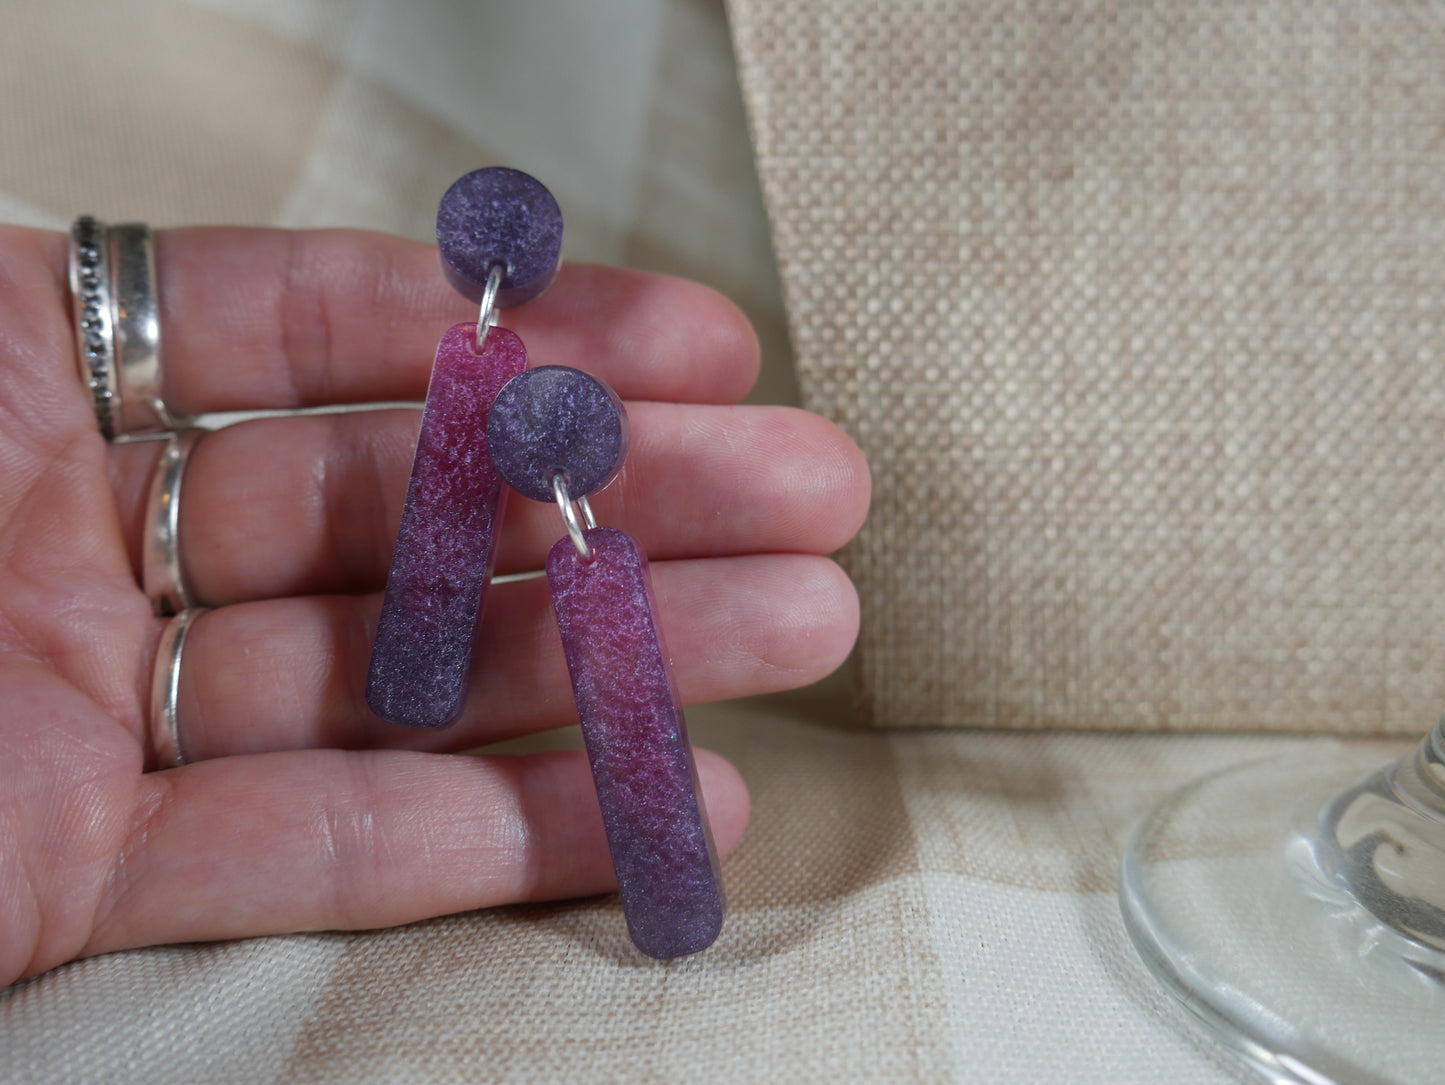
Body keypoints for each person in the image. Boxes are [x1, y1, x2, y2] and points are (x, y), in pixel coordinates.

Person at [0, 224, 870, 988]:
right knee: (501, 618)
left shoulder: (586, 540)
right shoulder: (480, 373)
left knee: (590, 583)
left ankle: (669, 899)